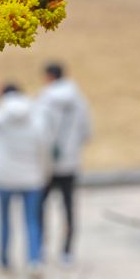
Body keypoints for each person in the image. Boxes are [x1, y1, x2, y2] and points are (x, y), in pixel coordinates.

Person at [0, 83, 50, 271]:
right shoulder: (36, 117)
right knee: (32, 219)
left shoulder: (0, 117)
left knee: (4, 220)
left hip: (4, 177)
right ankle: (34, 260)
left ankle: (4, 260)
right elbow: (44, 148)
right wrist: (45, 173)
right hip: (31, 178)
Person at [38, 62, 91, 264]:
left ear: (49, 76)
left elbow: (40, 132)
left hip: (48, 165)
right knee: (68, 208)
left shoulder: (44, 99)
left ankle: (41, 247)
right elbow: (87, 131)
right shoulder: (79, 99)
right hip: (71, 162)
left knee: (41, 208)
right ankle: (67, 251)